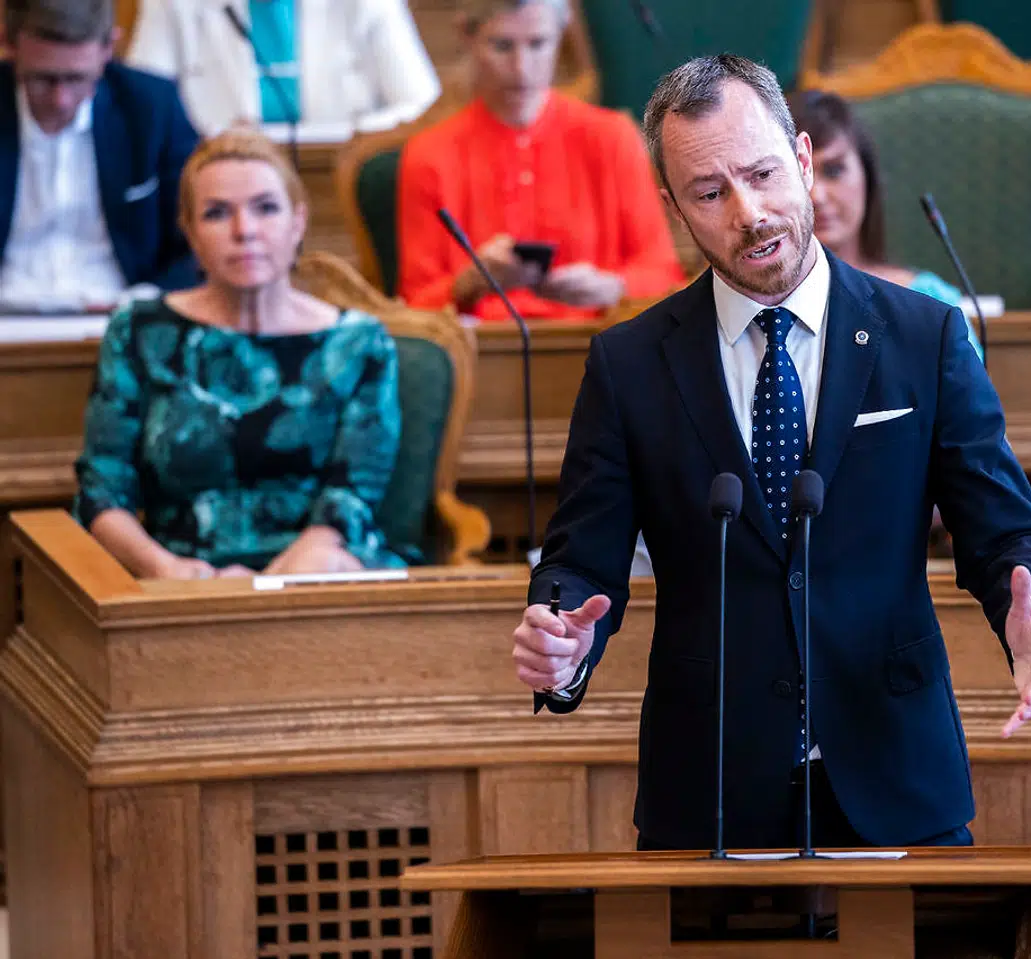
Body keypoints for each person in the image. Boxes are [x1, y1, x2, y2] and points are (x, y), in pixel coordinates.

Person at [511, 56, 1031, 850]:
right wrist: (562, 638)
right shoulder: (628, 365)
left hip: (896, 769)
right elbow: (583, 562)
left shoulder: (925, 337)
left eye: (764, 174)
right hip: (706, 786)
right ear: (673, 207)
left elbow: (1007, 534)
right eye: (710, 193)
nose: (749, 214)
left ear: (803, 160)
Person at [75, 126, 407, 579]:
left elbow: (351, 496)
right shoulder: (138, 331)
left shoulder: (359, 343)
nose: (244, 230)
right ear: (190, 233)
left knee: (329, 568)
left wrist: (267, 588)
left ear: (298, 222)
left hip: (319, 571)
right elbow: (103, 488)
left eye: (266, 208)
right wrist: (165, 569)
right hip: (177, 575)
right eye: (216, 213)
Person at [397, 0, 684, 321]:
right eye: (502, 45)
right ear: (467, 36)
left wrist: (612, 287)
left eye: (538, 44)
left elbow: (664, 274)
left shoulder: (612, 137)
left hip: (595, 341)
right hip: (484, 352)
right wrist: (471, 283)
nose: (522, 67)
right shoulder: (429, 154)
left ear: (560, 36)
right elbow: (416, 304)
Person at [0, 0, 198, 313]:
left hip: (120, 315)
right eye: (42, 79)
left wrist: (147, 301)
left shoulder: (151, 107)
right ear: (7, 45)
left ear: (108, 48)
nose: (61, 100)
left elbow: (199, 238)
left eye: (77, 78)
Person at [791, 89, 983, 361]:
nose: (816, 195)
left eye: (834, 171)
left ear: (867, 176)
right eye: (800, 175)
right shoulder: (759, 309)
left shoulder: (929, 300)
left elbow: (969, 402)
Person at [125, 0, 440, 136]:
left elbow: (423, 107)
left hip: (333, 183)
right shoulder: (172, 4)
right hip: (219, 183)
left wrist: (356, 133)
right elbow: (140, 109)